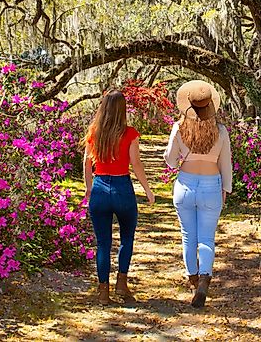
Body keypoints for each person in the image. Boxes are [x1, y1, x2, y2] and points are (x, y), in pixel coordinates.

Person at [164, 80, 233, 308]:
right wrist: (226, 189)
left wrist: (179, 158)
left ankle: (193, 279)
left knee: (188, 236)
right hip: (211, 185)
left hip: (185, 184)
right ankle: (205, 278)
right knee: (206, 237)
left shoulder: (179, 128)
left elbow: (171, 161)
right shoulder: (221, 130)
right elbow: (226, 164)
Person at [83, 90, 155, 305]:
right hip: (123, 187)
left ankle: (103, 291)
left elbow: (87, 163)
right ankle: (121, 284)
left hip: (100, 186)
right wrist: (148, 190)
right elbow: (136, 164)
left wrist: (88, 188)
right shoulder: (130, 133)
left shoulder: (94, 133)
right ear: (122, 109)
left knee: (103, 243)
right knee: (127, 238)